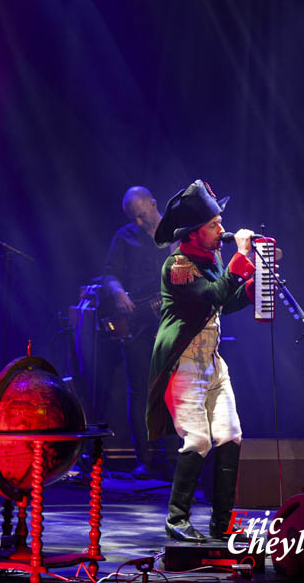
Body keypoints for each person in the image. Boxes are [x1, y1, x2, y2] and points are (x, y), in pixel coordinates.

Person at [146, 179, 256, 542]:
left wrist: (251, 286)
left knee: (230, 435)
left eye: (220, 222)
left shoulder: (211, 258)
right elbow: (211, 294)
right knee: (198, 441)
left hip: (212, 363)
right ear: (193, 234)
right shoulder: (177, 266)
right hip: (184, 365)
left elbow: (225, 301)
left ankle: (222, 524)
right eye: (214, 225)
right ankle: (176, 519)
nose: (222, 230)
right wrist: (240, 260)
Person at [103, 186, 170, 478]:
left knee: (174, 390)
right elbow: (109, 273)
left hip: (169, 322)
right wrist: (118, 292)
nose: (139, 223)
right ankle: (145, 459)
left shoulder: (176, 234)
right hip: (135, 322)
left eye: (142, 216)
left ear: (153, 203)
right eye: (135, 218)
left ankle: (177, 458)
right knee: (139, 391)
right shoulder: (124, 236)